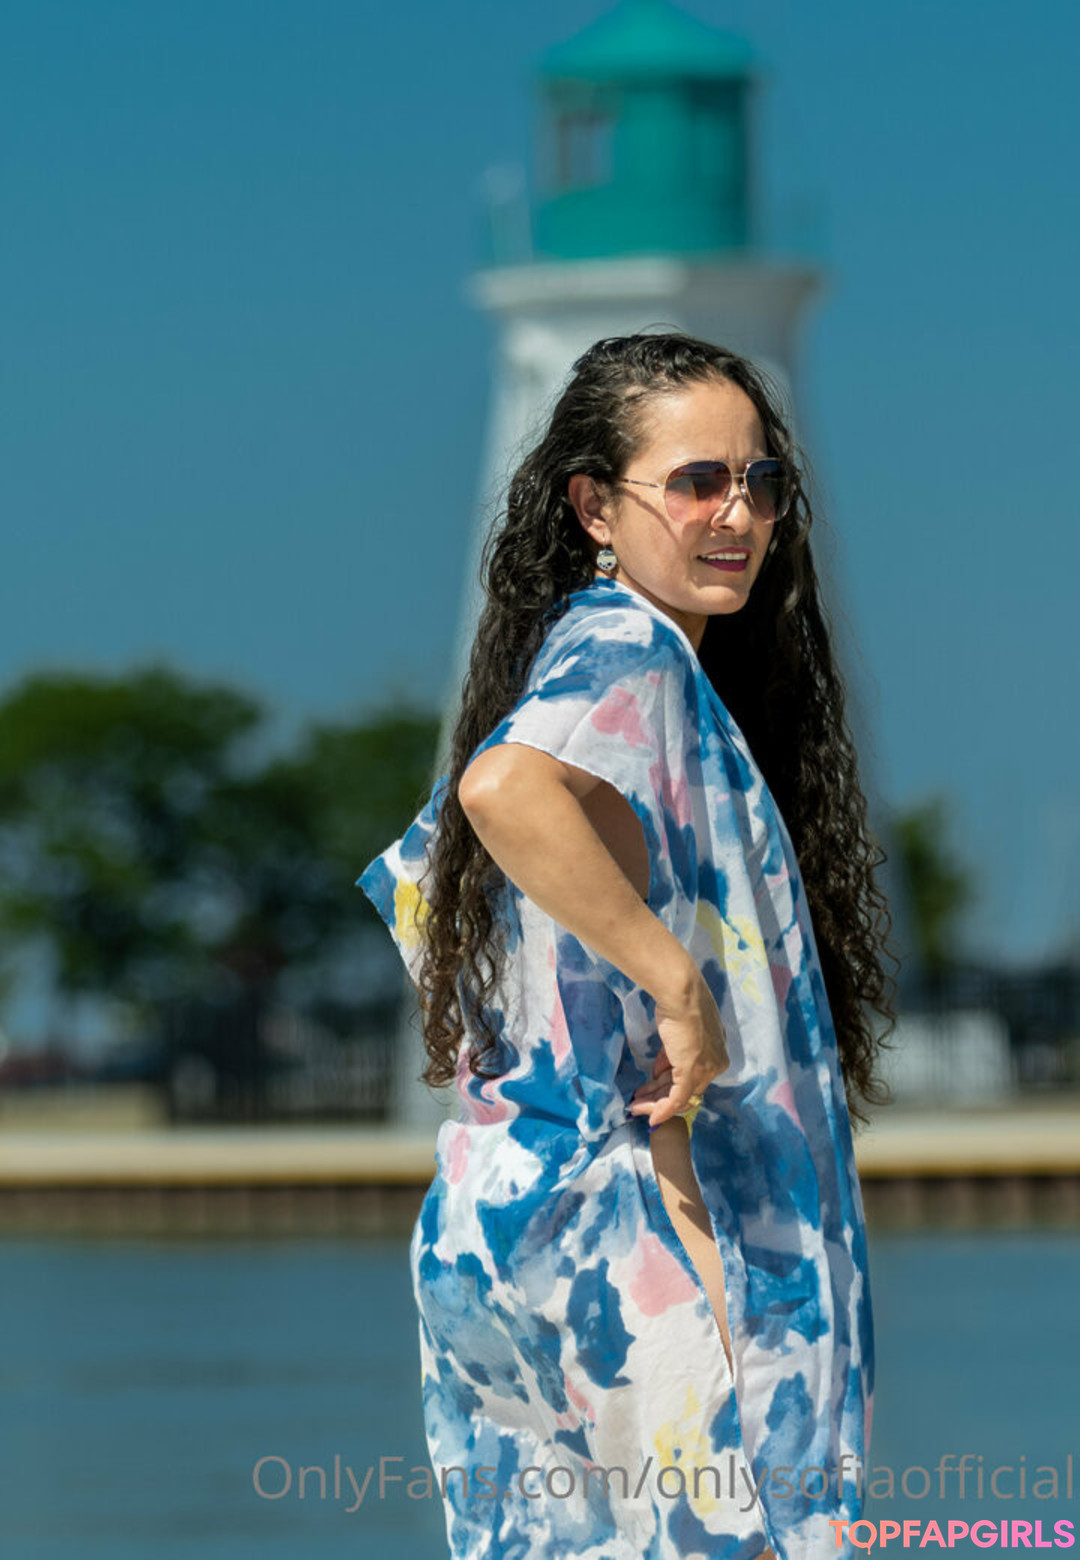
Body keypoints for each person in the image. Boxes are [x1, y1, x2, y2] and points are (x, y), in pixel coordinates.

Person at [358, 331, 896, 1560]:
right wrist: (675, 983)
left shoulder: (586, 656)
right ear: (595, 506)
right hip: (632, 1231)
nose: (738, 515)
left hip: (503, 1213)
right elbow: (502, 791)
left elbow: (441, 894)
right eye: (697, 482)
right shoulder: (631, 649)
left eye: (761, 484)